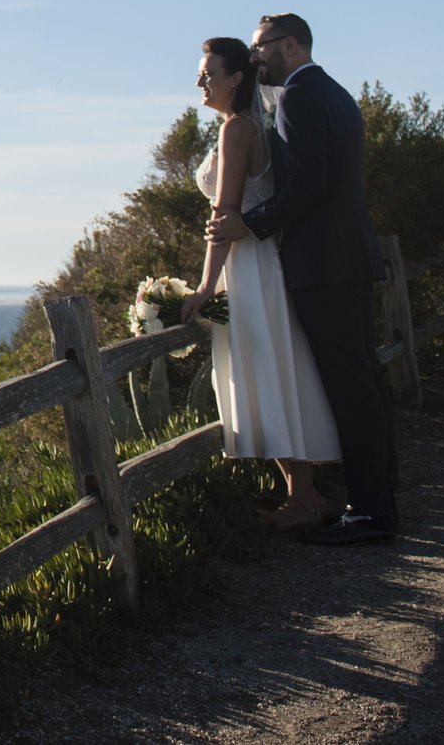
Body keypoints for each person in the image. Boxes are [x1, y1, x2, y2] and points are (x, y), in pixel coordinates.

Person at [207, 13, 399, 545]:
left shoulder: (296, 97)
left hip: (324, 266)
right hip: (347, 259)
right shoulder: (335, 93)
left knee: (351, 387)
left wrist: (252, 223)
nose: (255, 58)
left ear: (290, 44)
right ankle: (379, 498)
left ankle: (370, 512)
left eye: (260, 47)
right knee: (364, 385)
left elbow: (310, 187)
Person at [181, 36, 340, 527]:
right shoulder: (252, 124)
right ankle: (303, 496)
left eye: (209, 73)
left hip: (247, 266)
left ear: (236, 78)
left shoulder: (236, 130)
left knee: (266, 373)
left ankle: (303, 498)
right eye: (200, 73)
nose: (200, 82)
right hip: (259, 261)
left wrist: (207, 287)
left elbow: (224, 213)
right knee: (272, 370)